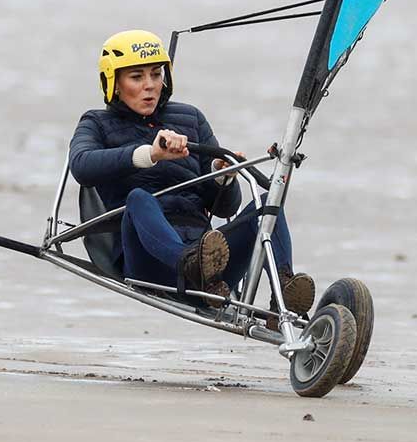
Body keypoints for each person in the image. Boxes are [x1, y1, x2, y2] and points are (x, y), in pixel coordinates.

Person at [68, 30, 314, 322]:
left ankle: (283, 293)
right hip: (150, 262)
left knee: (267, 203)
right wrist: (151, 154)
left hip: (211, 265)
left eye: (156, 74)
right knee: (139, 198)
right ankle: (190, 266)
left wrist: (222, 176)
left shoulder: (190, 117)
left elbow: (225, 208)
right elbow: (81, 166)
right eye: (136, 77)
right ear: (114, 84)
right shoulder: (96, 122)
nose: (149, 86)